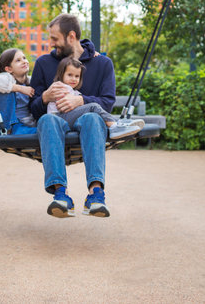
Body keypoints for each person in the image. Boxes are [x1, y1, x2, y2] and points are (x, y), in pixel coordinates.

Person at [30, 13, 143, 219]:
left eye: (55, 39)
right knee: (47, 119)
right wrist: (45, 96)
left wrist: (81, 101)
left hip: (88, 122)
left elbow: (107, 101)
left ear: (71, 37)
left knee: (92, 118)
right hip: (55, 123)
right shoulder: (43, 63)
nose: (51, 44)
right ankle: (60, 194)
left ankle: (96, 195)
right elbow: (34, 109)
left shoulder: (102, 64)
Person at [47, 56, 143, 137]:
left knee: (93, 112)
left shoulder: (72, 90)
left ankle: (118, 125)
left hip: (64, 117)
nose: (73, 79)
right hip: (57, 118)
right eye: (70, 75)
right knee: (93, 106)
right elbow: (64, 107)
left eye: (77, 76)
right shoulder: (60, 87)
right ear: (61, 74)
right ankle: (115, 127)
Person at [0, 48, 37, 136]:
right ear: (9, 69)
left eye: (24, 58)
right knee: (6, 91)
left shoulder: (30, 81)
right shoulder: (7, 78)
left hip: (23, 125)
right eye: (18, 60)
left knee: (40, 132)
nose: (24, 61)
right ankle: (8, 130)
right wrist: (19, 88)